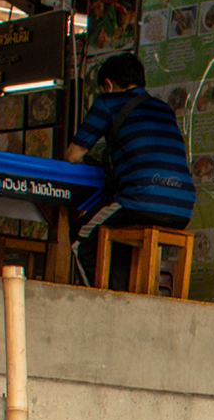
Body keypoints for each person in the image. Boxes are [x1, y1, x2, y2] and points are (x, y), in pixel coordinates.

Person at [67, 53, 197, 287]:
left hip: (141, 201)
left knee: (80, 236)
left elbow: (72, 156)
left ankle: (100, 304)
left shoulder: (107, 102)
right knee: (117, 240)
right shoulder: (164, 109)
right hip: (182, 208)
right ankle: (123, 299)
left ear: (107, 84)